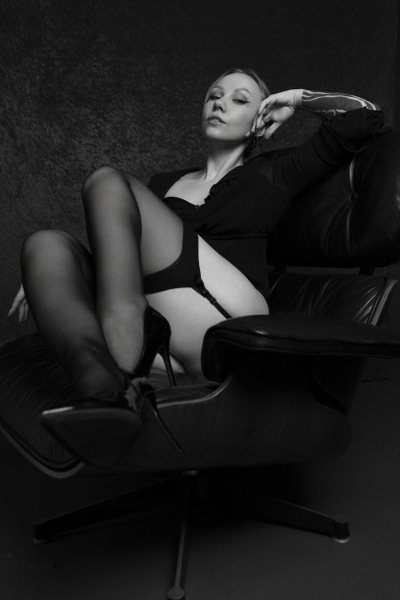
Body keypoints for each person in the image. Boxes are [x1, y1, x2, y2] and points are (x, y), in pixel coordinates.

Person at [8, 68, 384, 468]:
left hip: (225, 319)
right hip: (162, 333)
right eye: (213, 96)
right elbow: (128, 256)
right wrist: (56, 276)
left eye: (240, 99)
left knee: (105, 180)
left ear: (260, 120)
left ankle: (118, 357)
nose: (220, 103)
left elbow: (364, 118)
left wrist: (297, 99)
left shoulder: (277, 170)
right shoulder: (163, 183)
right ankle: (103, 388)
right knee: (46, 246)